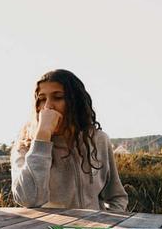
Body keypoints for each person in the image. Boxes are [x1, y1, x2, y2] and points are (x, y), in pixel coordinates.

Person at [11, 69, 128, 211]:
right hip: (49, 225)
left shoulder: (98, 140)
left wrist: (108, 220)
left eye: (58, 97)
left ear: (76, 102)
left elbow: (117, 197)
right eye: (42, 99)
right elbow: (27, 199)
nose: (48, 106)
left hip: (94, 224)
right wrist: (42, 138)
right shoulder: (25, 144)